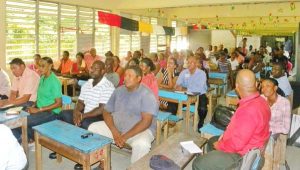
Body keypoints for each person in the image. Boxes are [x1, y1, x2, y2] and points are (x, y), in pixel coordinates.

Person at [192, 69, 271, 170]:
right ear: (256, 84)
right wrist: (224, 136)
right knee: (212, 141)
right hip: (251, 145)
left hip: (242, 156)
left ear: (237, 86)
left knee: (198, 163)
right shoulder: (262, 101)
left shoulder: (248, 111)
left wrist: (220, 146)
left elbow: (236, 144)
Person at [88, 66, 158, 163]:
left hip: (139, 131)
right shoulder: (118, 90)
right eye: (125, 75)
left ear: (138, 78)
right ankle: (103, 163)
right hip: (117, 129)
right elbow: (106, 111)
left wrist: (124, 137)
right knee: (93, 128)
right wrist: (114, 131)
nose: (126, 78)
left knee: (142, 144)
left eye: (130, 76)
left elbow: (146, 122)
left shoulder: (147, 94)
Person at [25, 57, 62, 142]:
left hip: (52, 112)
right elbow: (41, 96)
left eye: (43, 66)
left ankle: (35, 139)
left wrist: (38, 110)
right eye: (39, 66)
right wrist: (34, 105)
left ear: (50, 66)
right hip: (41, 108)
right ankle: (31, 137)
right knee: (20, 115)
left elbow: (59, 103)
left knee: (25, 121)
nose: (39, 68)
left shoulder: (54, 81)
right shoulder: (42, 78)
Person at [175, 55, 208, 130]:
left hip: (199, 94)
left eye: (192, 62)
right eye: (188, 62)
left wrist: (184, 88)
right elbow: (177, 84)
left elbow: (199, 89)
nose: (189, 64)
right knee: (173, 101)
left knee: (202, 108)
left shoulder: (202, 73)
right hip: (185, 94)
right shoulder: (184, 72)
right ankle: (172, 120)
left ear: (196, 64)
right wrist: (179, 87)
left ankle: (201, 121)